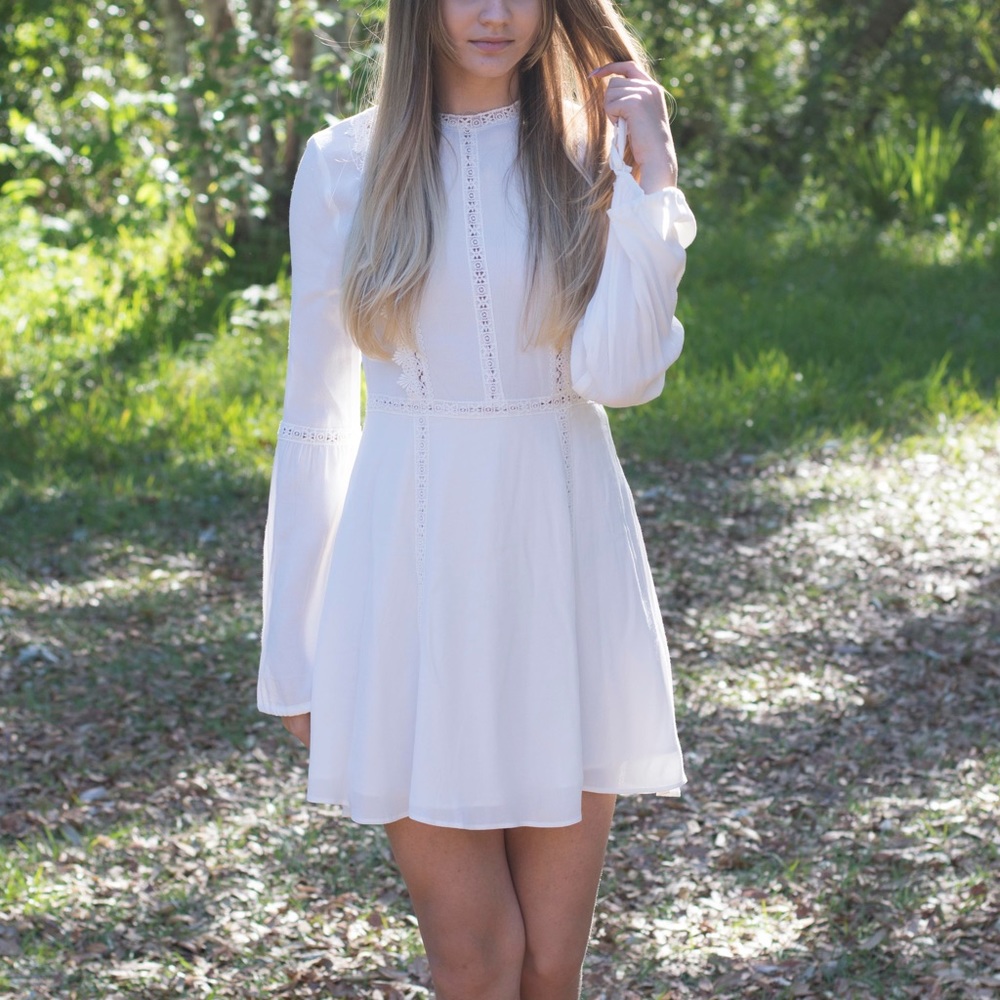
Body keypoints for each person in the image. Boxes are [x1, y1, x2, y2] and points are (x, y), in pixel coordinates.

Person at [257, 0, 695, 996]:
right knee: (477, 953)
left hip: (561, 555)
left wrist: (652, 181)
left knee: (548, 963)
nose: (493, 12)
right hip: (411, 571)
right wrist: (294, 653)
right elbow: (316, 411)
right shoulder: (340, 164)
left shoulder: (592, 152)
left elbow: (621, 374)